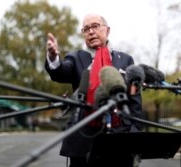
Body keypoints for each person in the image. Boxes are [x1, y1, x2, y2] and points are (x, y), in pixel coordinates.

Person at [45, 13, 142, 167]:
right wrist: (52, 58)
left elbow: (134, 101)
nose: (90, 32)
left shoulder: (125, 60)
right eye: (86, 29)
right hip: (83, 138)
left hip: (120, 137)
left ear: (107, 30)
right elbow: (61, 71)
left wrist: (134, 135)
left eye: (95, 26)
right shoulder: (75, 58)